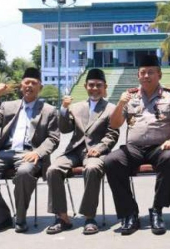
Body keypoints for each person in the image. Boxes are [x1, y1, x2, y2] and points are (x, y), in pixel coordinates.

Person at [104, 54, 170, 235]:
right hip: (134, 148)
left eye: (151, 72)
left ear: (159, 74)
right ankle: (129, 212)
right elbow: (115, 124)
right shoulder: (130, 96)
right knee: (111, 161)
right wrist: (120, 104)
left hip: (161, 147)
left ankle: (157, 210)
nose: (146, 76)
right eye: (143, 73)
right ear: (138, 76)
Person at [0, 67, 59, 234]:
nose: (29, 86)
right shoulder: (7, 106)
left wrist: (37, 153)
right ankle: (1, 217)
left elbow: (53, 138)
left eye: (34, 83)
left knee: (24, 173)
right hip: (5, 151)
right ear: (21, 86)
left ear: (40, 88)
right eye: (26, 82)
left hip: (30, 153)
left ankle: (20, 218)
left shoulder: (48, 110)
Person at [45, 68, 119, 235]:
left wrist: (99, 148)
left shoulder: (111, 108)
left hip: (96, 152)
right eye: (91, 85)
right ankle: (62, 217)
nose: (94, 88)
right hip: (74, 151)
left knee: (92, 169)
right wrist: (63, 110)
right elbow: (64, 129)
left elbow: (112, 134)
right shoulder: (76, 107)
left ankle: (89, 217)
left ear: (105, 87)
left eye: (98, 85)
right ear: (85, 86)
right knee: (53, 169)